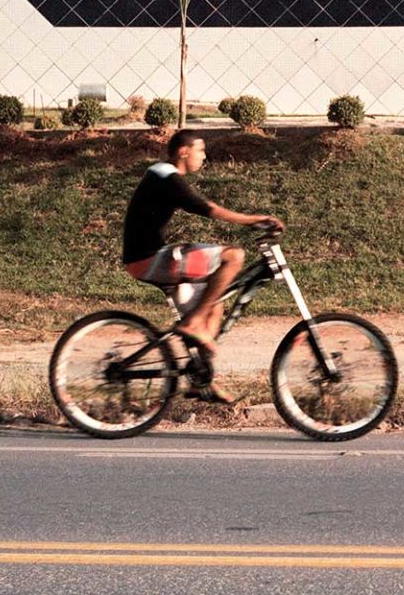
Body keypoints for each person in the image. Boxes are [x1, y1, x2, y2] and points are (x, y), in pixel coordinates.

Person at [121, 128, 283, 401]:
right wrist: (255, 220)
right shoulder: (166, 176)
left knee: (215, 301)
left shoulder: (162, 175)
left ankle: (201, 380)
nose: (204, 156)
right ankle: (193, 323)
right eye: (201, 150)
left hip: (150, 258)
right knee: (234, 256)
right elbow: (207, 208)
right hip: (148, 259)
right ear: (184, 152)